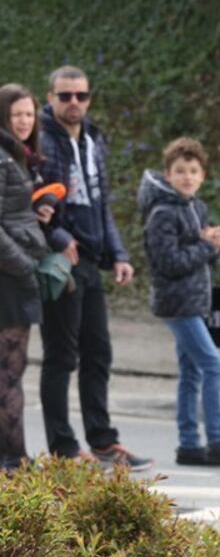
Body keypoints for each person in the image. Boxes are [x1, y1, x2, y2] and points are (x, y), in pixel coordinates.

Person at [38, 66, 151, 469]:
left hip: (91, 259)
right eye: (65, 96)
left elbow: (101, 203)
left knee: (98, 353)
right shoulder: (40, 139)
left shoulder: (92, 138)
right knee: (61, 356)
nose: (73, 103)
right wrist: (59, 238)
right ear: (49, 97)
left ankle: (103, 441)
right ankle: (63, 447)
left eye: (81, 96)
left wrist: (118, 253)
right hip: (59, 261)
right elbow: (32, 203)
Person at [139, 138, 220, 467]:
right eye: (179, 171)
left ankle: (189, 444)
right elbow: (168, 262)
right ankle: (217, 439)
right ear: (167, 174)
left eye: (193, 171)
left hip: (195, 299)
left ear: (203, 175)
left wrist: (211, 247)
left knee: (191, 372)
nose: (187, 177)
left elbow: (201, 260)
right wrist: (206, 247)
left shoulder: (196, 207)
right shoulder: (162, 213)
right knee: (213, 366)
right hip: (177, 303)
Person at [0, 84, 51, 472]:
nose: (23, 121)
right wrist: (24, 264)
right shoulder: (3, 158)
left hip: (14, 272)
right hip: (9, 279)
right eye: (16, 114)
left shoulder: (17, 157)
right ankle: (14, 458)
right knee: (9, 373)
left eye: (29, 114)